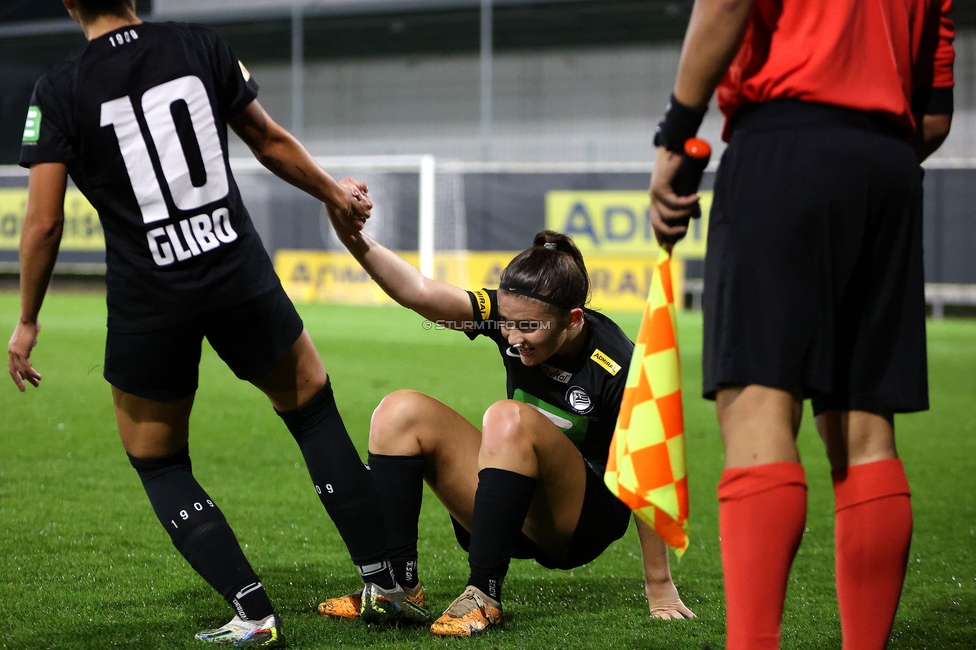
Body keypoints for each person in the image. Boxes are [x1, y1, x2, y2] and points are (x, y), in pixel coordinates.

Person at [7, 0, 431, 646]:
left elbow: (42, 222)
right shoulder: (199, 44)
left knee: (158, 459)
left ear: (68, 3)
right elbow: (267, 139)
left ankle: (254, 612)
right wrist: (334, 193)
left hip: (151, 298)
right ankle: (390, 586)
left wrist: (28, 319)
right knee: (311, 409)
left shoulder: (60, 88)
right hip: (237, 273)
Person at [647, 1, 955, 648]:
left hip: (783, 147)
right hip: (889, 165)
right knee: (867, 433)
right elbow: (933, 117)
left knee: (759, 410)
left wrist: (677, 131)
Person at [316, 225, 695, 636]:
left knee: (506, 417)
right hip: (513, 503)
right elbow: (420, 293)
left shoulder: (619, 363)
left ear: (573, 319)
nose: (513, 339)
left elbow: (648, 469)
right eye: (507, 324)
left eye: (529, 328)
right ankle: (395, 589)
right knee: (398, 411)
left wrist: (660, 587)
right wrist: (355, 238)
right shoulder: (514, 318)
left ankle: (483, 594)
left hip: (580, 522)